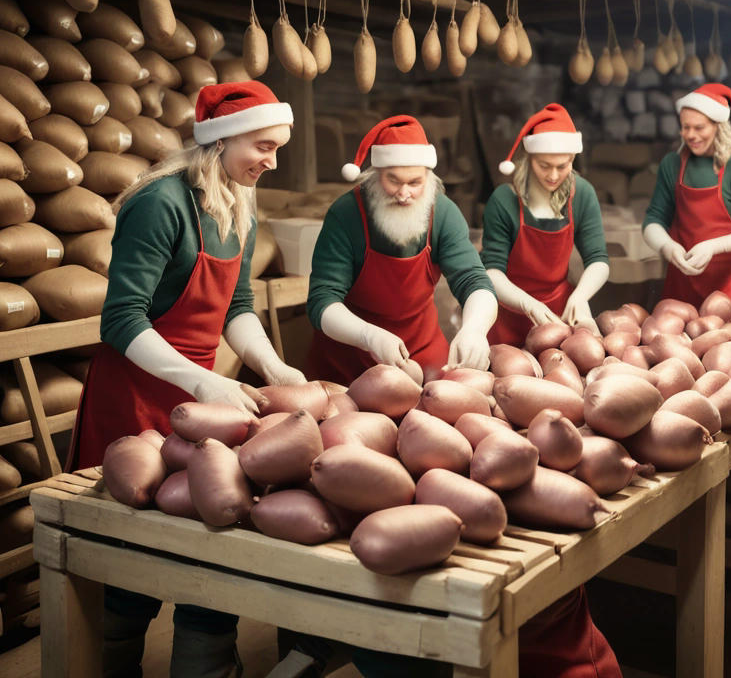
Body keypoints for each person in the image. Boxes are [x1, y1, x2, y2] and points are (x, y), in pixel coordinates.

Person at [67, 80, 307, 677]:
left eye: (278, 147)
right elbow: (121, 319)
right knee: (132, 553)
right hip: (135, 395)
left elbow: (236, 306)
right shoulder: (162, 203)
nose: (272, 162)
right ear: (221, 140)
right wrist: (201, 383)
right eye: (263, 146)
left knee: (208, 544)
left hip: (198, 400)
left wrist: (272, 365)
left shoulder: (240, 204)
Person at [306, 115, 496, 385]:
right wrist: (368, 336)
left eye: (415, 183)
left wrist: (474, 330)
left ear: (429, 178)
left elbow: (474, 281)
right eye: (393, 181)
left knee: (445, 399)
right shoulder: (345, 215)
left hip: (424, 350)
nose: (404, 193)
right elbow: (321, 301)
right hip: (348, 359)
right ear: (374, 175)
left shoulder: (442, 213)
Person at [482, 103, 609, 343]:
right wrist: (527, 304)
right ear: (529, 158)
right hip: (508, 313)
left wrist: (580, 296)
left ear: (573, 159)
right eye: (544, 166)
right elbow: (491, 271)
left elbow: (598, 260)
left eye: (562, 166)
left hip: (560, 311)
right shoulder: (504, 200)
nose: (552, 175)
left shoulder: (581, 194)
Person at [642, 83, 731, 309]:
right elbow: (653, 220)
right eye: (685, 127)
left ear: (719, 126)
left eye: (699, 128)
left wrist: (713, 246)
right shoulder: (672, 164)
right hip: (683, 282)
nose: (690, 135)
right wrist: (667, 247)